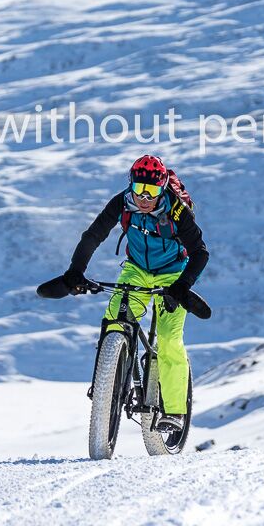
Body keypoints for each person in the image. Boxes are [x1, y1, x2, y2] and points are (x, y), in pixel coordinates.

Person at [42, 155, 208, 433]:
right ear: (130, 184)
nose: (144, 198)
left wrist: (182, 286)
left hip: (173, 273)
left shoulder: (176, 210)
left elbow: (200, 252)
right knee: (114, 319)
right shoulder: (121, 202)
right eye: (139, 189)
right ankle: (106, 382)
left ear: (163, 188)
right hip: (137, 269)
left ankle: (176, 410)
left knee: (168, 339)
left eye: (152, 191)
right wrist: (75, 271)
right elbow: (93, 235)